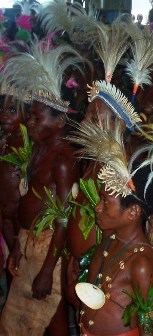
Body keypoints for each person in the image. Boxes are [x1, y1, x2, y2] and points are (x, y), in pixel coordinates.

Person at [0, 42, 82, 335]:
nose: (30, 122)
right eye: (30, 115)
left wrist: (48, 269)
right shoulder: (38, 148)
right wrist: (18, 246)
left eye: (37, 117)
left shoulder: (62, 160)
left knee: (52, 314)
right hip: (28, 240)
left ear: (60, 121)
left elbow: (63, 216)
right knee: (20, 318)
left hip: (50, 247)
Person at [76, 130, 153, 335]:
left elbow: (147, 328)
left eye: (105, 202)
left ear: (132, 212)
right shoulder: (110, 237)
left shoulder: (142, 263)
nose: (97, 207)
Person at [0, 92, 29, 262]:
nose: (4, 115)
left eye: (12, 110)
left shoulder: (28, 145)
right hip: (5, 218)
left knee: (20, 260)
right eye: (1, 109)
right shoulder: (5, 139)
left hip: (20, 217)